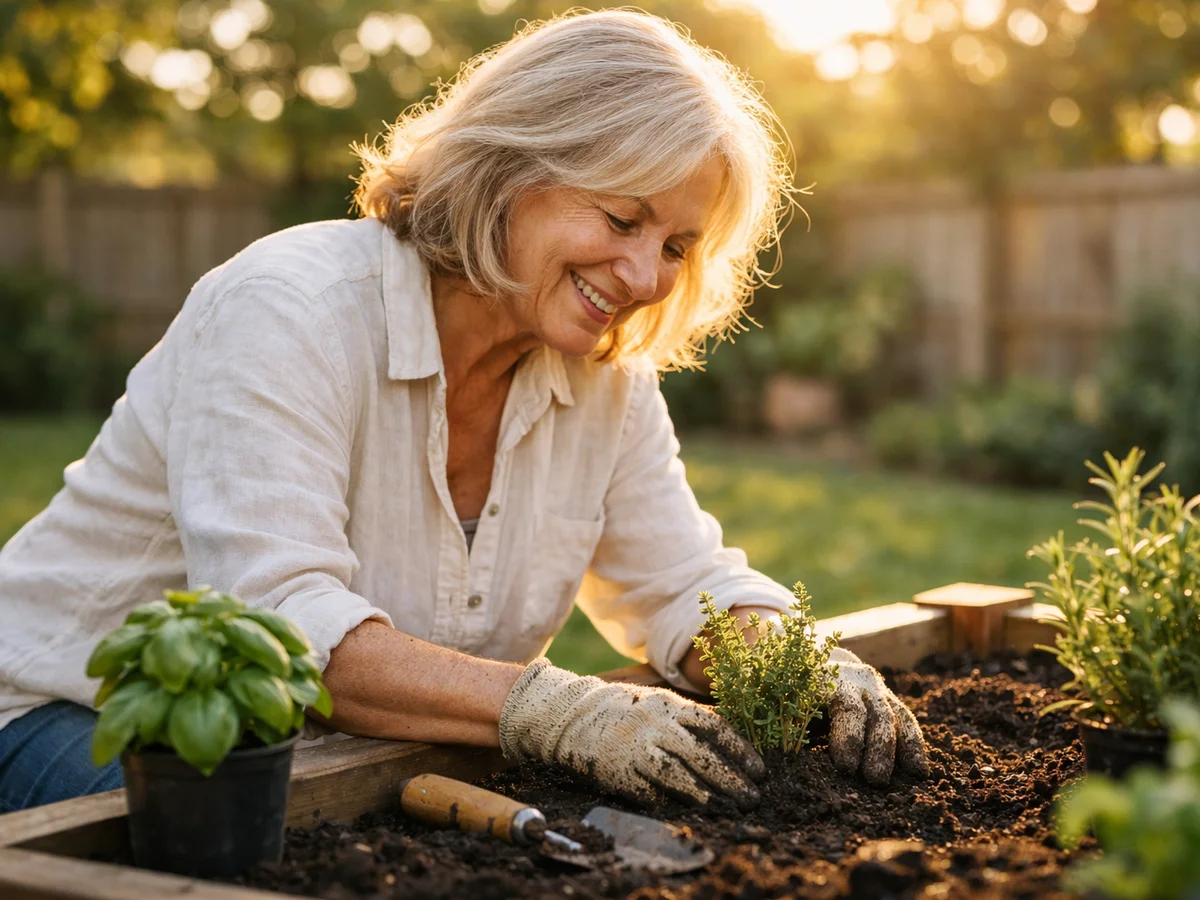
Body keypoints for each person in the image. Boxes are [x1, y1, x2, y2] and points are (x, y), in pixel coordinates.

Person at [0, 9, 926, 814]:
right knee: (242, 833)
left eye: (678, 245)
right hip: (60, 714)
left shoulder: (604, 379)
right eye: (622, 220)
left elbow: (681, 583)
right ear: (510, 169)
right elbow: (287, 626)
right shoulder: (289, 309)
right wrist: (556, 710)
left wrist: (795, 665)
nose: (647, 277)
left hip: (317, 757)